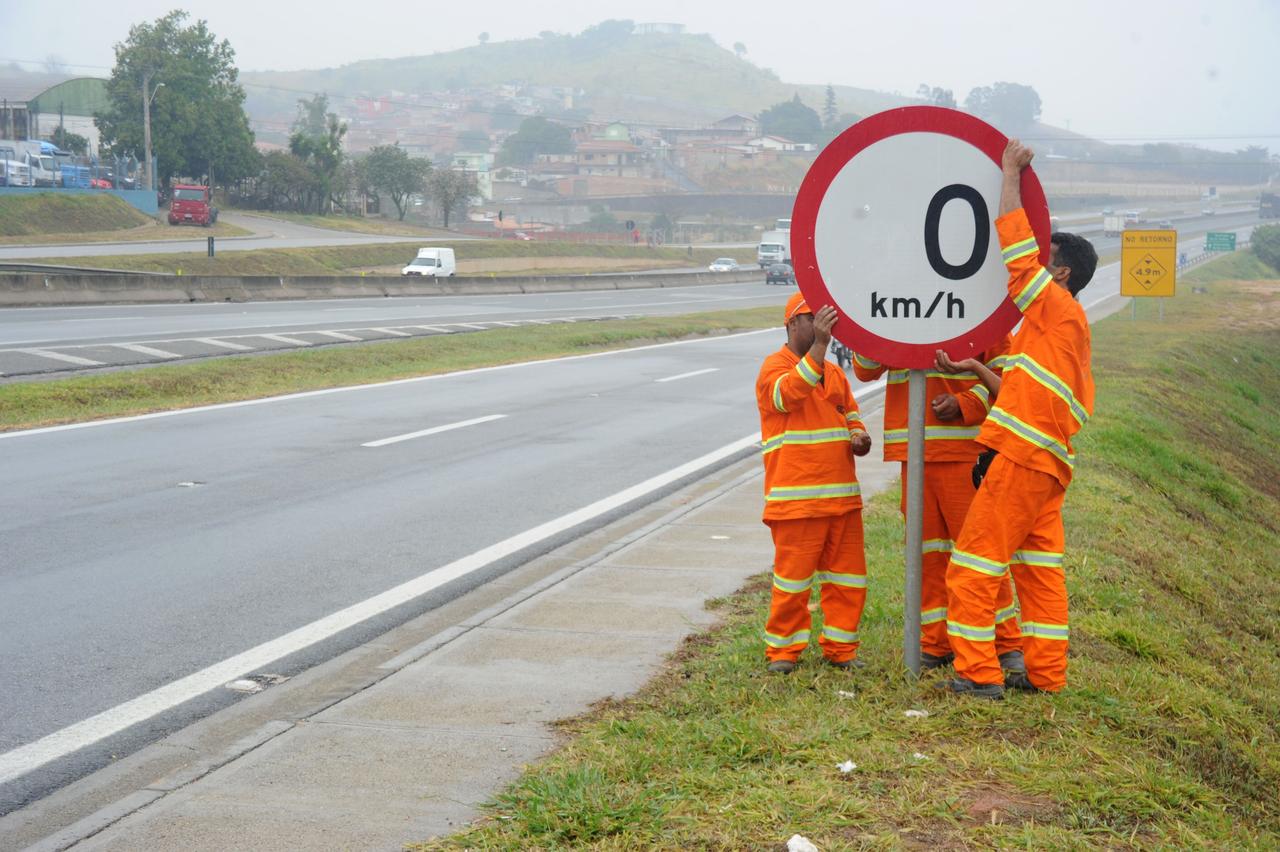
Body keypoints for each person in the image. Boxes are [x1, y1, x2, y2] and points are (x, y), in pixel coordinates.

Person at [938, 139, 1098, 699]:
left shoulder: (1055, 307)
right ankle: (1046, 674)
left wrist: (1009, 173)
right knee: (1037, 572)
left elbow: (1012, 246)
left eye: (1045, 259)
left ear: (1061, 273)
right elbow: (1020, 393)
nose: (1036, 264)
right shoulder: (1063, 332)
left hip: (1021, 462)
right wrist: (975, 370)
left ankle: (978, 674)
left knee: (972, 568)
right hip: (1047, 466)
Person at [852, 339, 1024, 673]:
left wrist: (965, 403)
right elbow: (864, 368)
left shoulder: (979, 306)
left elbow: (1007, 375)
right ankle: (936, 641)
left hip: (963, 451)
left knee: (979, 554)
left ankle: (1004, 643)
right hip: (914, 451)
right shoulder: (896, 308)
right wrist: (874, 325)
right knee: (926, 555)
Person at [756, 293, 873, 673]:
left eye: (826, 320)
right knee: (792, 583)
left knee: (848, 581)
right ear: (792, 324)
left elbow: (850, 413)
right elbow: (787, 395)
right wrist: (821, 347)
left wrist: (859, 436)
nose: (824, 325)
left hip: (841, 500)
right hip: (797, 502)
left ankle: (841, 650)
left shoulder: (835, 373)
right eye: (813, 319)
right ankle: (783, 653)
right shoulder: (774, 367)